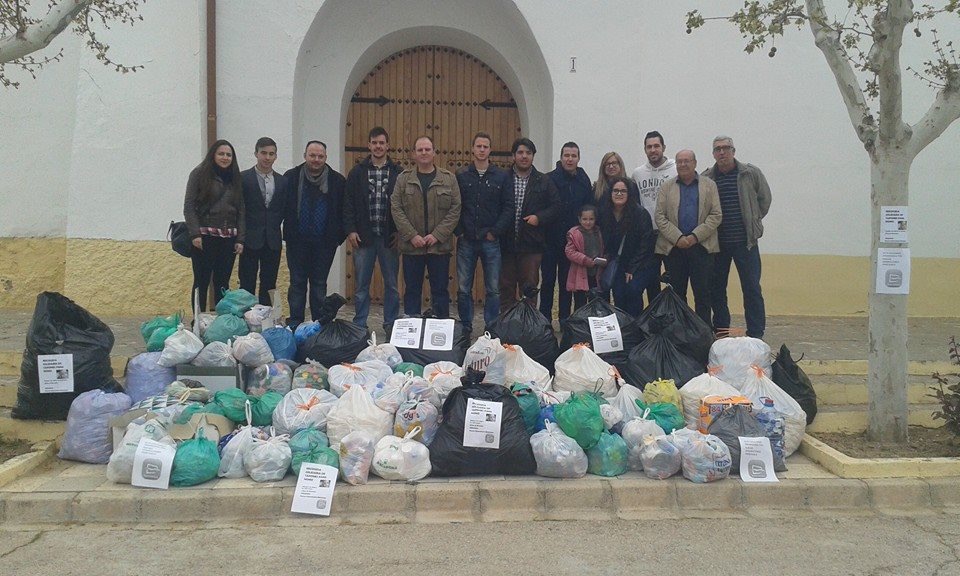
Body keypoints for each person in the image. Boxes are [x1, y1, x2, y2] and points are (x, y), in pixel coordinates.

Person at [702, 136, 772, 338]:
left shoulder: (750, 174)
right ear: (713, 153)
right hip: (717, 245)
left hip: (746, 243)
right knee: (717, 290)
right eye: (717, 149)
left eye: (726, 148)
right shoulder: (707, 178)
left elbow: (764, 199)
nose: (722, 152)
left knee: (751, 288)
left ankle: (756, 334)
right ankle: (722, 332)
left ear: (734, 151)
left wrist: (754, 220)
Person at [390, 135, 461, 318]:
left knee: (440, 291)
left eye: (427, 149)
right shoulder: (403, 179)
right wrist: (412, 235)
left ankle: (440, 330)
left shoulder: (448, 179)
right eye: (420, 150)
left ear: (434, 152)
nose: (424, 153)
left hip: (439, 247)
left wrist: (437, 235)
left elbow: (455, 208)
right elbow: (396, 207)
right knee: (412, 291)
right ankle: (412, 331)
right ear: (414, 153)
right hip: (412, 247)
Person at [344, 126, 402, 332]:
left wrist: (399, 232)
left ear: (388, 145)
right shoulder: (357, 172)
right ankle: (360, 324)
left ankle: (391, 325)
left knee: (392, 286)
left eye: (382, 143)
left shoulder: (398, 173)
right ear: (369, 145)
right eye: (374, 143)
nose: (378, 146)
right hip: (364, 238)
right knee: (361, 287)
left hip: (388, 238)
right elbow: (348, 203)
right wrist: (351, 230)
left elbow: (403, 205)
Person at [282, 141, 346, 327]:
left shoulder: (337, 181)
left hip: (325, 244)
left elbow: (344, 211)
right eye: (312, 155)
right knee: (297, 283)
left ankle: (318, 323)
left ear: (326, 157)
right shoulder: (291, 177)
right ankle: (295, 321)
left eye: (320, 156)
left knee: (319, 285)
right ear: (305, 156)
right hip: (297, 242)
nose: (316, 160)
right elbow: (283, 207)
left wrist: (337, 238)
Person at [655, 149, 721, 327]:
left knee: (703, 295)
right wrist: (678, 238)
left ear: (695, 163)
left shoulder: (709, 186)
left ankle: (703, 335)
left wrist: (694, 236)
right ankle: (680, 334)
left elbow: (716, 215)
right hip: (674, 249)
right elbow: (660, 217)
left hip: (702, 248)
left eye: (687, 161)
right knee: (677, 295)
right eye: (679, 161)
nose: (683, 165)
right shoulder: (666, 187)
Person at [455, 131, 513, 332]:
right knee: (463, 289)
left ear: (490, 150)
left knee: (494, 289)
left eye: (485, 146)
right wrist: (459, 231)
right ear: (472, 149)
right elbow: (455, 205)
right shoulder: (461, 175)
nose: (481, 150)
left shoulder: (501, 177)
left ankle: (491, 326)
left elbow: (508, 207)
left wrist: (495, 232)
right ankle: (466, 325)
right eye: (478, 146)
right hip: (466, 240)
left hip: (490, 240)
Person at [183, 139, 245, 313]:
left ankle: (221, 321)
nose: (225, 158)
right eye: (221, 154)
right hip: (204, 237)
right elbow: (189, 206)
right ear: (213, 155)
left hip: (228, 238)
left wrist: (240, 238)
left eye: (229, 155)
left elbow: (241, 209)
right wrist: (195, 234)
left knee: (222, 282)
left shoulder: (235, 177)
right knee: (201, 281)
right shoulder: (198, 174)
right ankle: (199, 318)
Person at [499, 137, 560, 310]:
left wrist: (539, 218)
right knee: (506, 288)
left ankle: (529, 329)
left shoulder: (544, 181)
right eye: (520, 152)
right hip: (506, 244)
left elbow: (556, 207)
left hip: (532, 245)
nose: (524, 156)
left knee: (530, 289)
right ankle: (507, 327)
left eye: (528, 153)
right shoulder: (502, 178)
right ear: (513, 156)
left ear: (533, 156)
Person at [543, 142, 592, 322]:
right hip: (550, 240)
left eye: (573, 156)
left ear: (578, 158)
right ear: (561, 157)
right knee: (548, 282)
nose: (570, 159)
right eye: (566, 155)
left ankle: (564, 320)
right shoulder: (549, 179)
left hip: (573, 244)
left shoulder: (583, 180)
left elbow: (588, 208)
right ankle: (545, 321)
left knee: (566, 283)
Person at [598, 177, 657, 316]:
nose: (619, 194)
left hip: (641, 264)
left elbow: (646, 244)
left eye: (623, 191)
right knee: (618, 293)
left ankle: (636, 328)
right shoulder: (604, 213)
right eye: (616, 191)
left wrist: (632, 268)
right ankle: (624, 329)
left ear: (629, 193)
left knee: (633, 291)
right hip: (618, 262)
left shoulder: (640, 213)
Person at [238, 137, 286, 307]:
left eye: (271, 154)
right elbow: (239, 209)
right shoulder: (243, 178)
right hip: (250, 239)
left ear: (276, 156)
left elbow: (283, 209)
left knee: (269, 283)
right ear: (256, 154)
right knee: (246, 283)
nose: (267, 157)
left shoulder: (282, 181)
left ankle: (265, 319)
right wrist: (240, 238)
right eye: (264, 153)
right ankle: (246, 319)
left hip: (272, 240)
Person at [632, 131, 677, 305]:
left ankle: (674, 320)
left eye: (656, 146)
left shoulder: (675, 169)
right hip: (648, 235)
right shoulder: (637, 173)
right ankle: (652, 320)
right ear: (645, 149)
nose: (653, 150)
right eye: (649, 147)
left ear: (663, 147)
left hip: (671, 234)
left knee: (674, 280)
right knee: (651, 281)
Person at [565, 205, 606, 309]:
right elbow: (569, 251)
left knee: (595, 302)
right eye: (585, 219)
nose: (588, 222)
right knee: (580, 304)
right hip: (580, 273)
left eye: (591, 219)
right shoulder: (574, 234)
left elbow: (603, 248)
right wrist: (585, 260)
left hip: (596, 272)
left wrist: (604, 259)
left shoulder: (599, 232)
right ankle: (579, 324)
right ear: (579, 219)